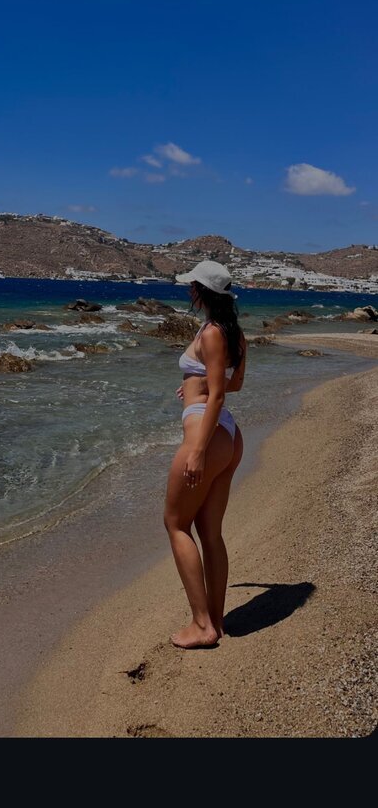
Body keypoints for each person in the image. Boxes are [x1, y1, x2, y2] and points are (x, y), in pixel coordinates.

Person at [163, 260, 246, 649]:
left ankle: (202, 626)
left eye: (192, 286)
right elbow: (234, 384)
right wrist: (198, 381)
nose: (188, 291)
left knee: (176, 524)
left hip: (206, 435)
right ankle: (216, 619)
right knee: (209, 532)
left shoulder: (212, 332)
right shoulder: (233, 332)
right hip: (228, 436)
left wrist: (196, 452)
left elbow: (217, 396)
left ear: (202, 292)